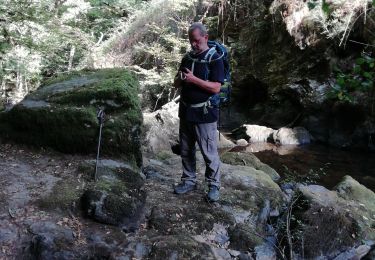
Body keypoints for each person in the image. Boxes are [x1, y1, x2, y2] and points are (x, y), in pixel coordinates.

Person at [173, 22, 224, 202]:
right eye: (190, 41)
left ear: (205, 37)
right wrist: (180, 79)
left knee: (209, 152)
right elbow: (175, 83)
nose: (193, 44)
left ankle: (214, 185)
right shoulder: (187, 58)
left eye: (196, 40)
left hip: (205, 113)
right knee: (186, 150)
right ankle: (188, 180)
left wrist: (194, 80)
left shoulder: (215, 58)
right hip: (186, 111)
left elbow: (216, 87)